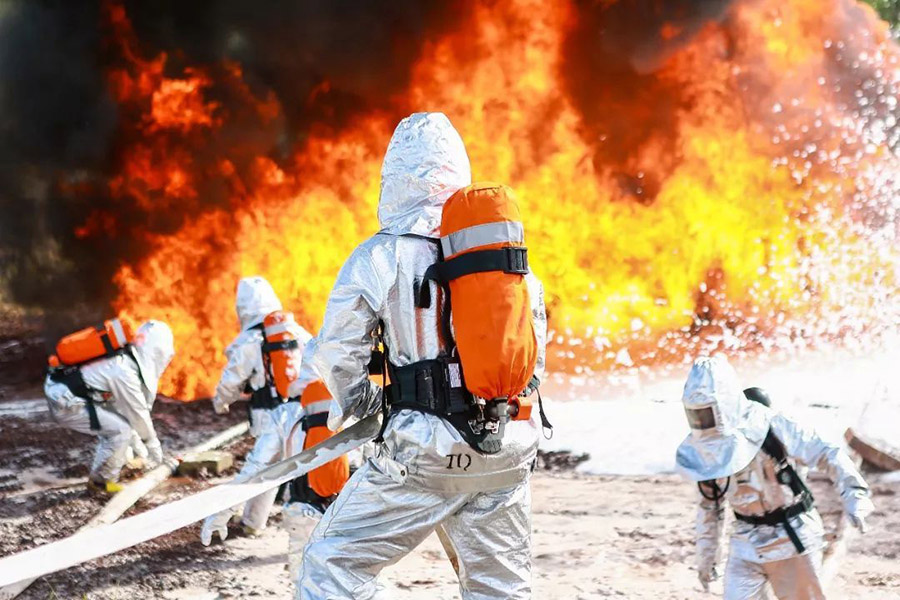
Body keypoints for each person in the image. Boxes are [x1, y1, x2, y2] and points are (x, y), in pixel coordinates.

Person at [295, 112, 548, 599]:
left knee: (332, 565)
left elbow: (338, 351)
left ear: (394, 178)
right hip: (509, 447)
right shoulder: (505, 257)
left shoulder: (380, 255)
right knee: (500, 589)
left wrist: (363, 403)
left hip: (425, 454)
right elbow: (534, 356)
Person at [675, 355, 874, 600]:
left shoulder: (774, 427)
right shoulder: (706, 452)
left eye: (707, 412)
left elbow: (827, 453)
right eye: (697, 414)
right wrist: (707, 559)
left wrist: (855, 494)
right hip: (746, 541)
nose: (703, 419)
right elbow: (710, 508)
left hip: (791, 537)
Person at [200, 276, 315, 544]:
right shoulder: (296, 331)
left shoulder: (249, 341)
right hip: (303, 414)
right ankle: (257, 523)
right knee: (285, 471)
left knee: (258, 471)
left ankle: (222, 521)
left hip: (269, 416)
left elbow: (231, 381)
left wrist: (221, 403)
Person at [44, 320, 174, 493]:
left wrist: (142, 454)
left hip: (64, 391)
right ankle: (101, 483)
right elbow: (138, 415)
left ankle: (121, 466)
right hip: (66, 401)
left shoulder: (125, 359)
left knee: (116, 425)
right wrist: (155, 453)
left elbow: (125, 414)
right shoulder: (124, 372)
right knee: (119, 430)